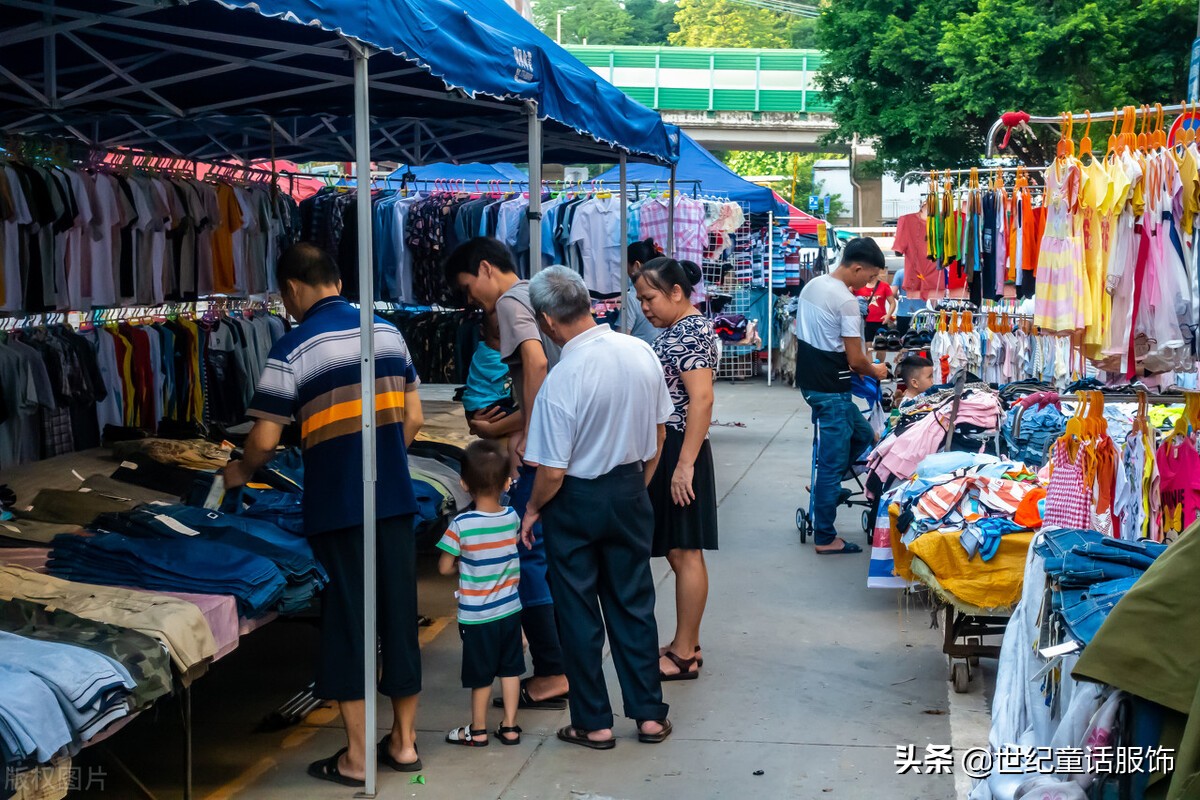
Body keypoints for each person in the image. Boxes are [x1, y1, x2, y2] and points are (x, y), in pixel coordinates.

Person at [224, 243, 425, 786]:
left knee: (349, 624)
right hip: (396, 499)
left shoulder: (291, 347)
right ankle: (404, 745)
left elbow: (264, 440)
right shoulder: (388, 333)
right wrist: (381, 462)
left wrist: (239, 472)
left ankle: (358, 757)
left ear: (291, 289)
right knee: (399, 618)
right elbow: (413, 417)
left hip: (337, 506)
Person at [519, 266, 674, 750]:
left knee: (578, 612)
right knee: (633, 604)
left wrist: (531, 512)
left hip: (576, 501)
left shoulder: (563, 378)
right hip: (630, 490)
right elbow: (659, 433)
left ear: (546, 320)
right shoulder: (640, 351)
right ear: (587, 301)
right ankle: (649, 715)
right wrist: (636, 485)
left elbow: (551, 472)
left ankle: (594, 721)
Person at [443, 237, 569, 711]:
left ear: (485, 268)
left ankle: (553, 672)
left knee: (527, 553)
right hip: (560, 446)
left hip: (544, 451)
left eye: (467, 285)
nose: (471, 297)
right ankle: (559, 665)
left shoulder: (515, 300)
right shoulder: (538, 295)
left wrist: (527, 434)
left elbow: (537, 364)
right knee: (546, 555)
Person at [633, 257, 719, 682]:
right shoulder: (682, 329)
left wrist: (683, 466)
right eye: (640, 300)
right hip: (676, 449)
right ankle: (688, 642)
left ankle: (684, 652)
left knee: (684, 551)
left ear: (676, 292)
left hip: (680, 450)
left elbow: (701, 400)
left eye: (649, 298)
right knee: (678, 548)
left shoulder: (688, 332)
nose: (644, 307)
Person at [796, 237, 888, 556]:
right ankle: (825, 537)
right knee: (834, 460)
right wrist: (876, 370)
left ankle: (826, 484)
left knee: (863, 433)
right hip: (831, 389)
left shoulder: (813, 286)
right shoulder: (846, 302)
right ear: (858, 267)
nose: (870, 282)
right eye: (871, 275)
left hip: (812, 383)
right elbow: (856, 360)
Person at [436, 440, 525, 748]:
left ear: (463, 483)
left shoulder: (461, 524)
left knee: (481, 676)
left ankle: (478, 730)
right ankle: (511, 727)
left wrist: (465, 560)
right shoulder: (512, 517)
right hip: (510, 610)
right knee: (511, 670)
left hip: (477, 617)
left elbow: (444, 567)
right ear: (505, 482)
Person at [625, 238, 662, 345]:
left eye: (626, 265)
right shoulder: (664, 292)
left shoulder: (632, 297)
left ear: (636, 266)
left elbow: (623, 335)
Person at [854, 270, 897, 348]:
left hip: (881, 320)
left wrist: (888, 315)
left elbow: (892, 303)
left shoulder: (884, 286)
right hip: (865, 321)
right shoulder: (859, 286)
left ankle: (880, 361)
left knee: (882, 345)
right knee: (868, 346)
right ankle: (870, 361)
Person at [889, 355, 935, 427]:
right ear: (915, 383)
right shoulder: (909, 408)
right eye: (930, 377)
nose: (933, 381)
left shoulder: (919, 399)